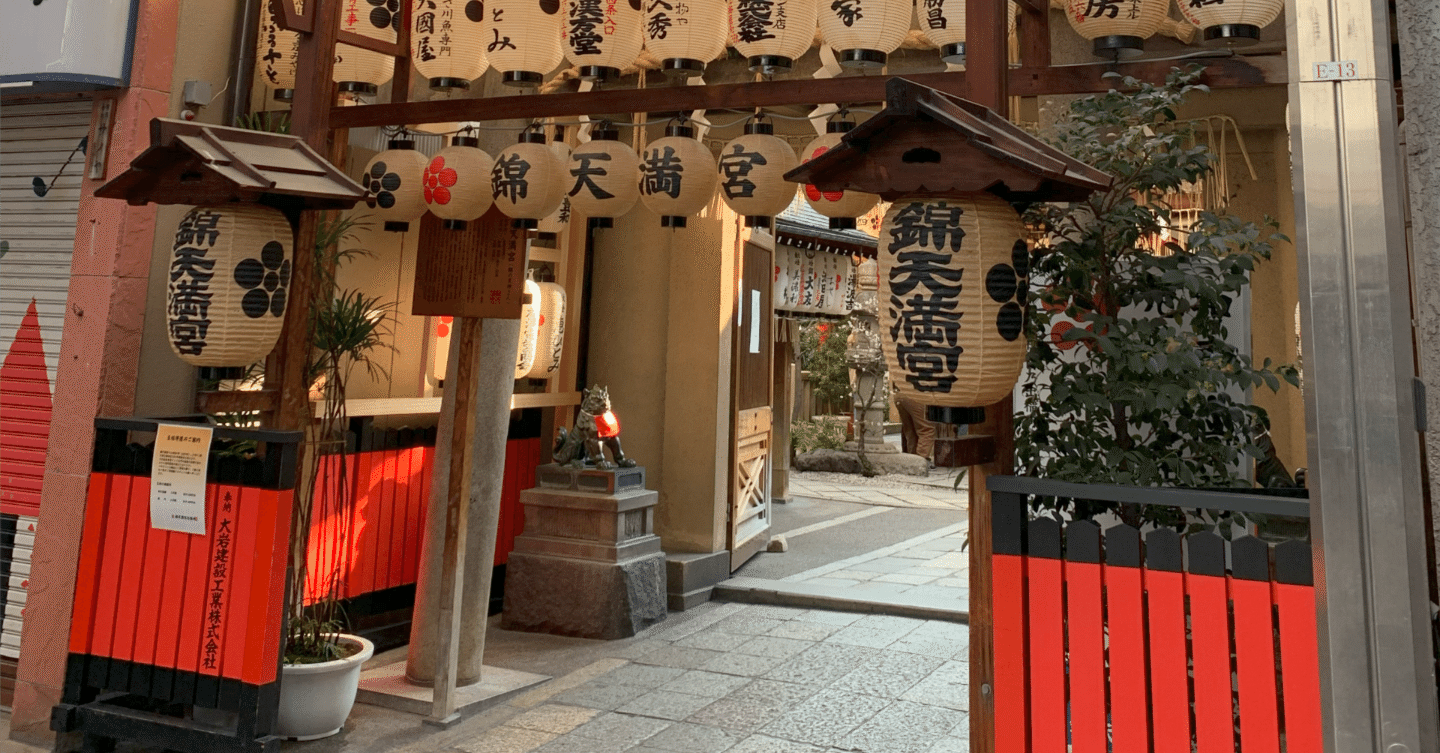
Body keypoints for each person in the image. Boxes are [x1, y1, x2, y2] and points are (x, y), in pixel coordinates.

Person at [896, 395, 935, 463]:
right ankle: (920, 461)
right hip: (916, 395)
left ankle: (912, 461)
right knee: (927, 429)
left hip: (899, 395)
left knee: (910, 431)